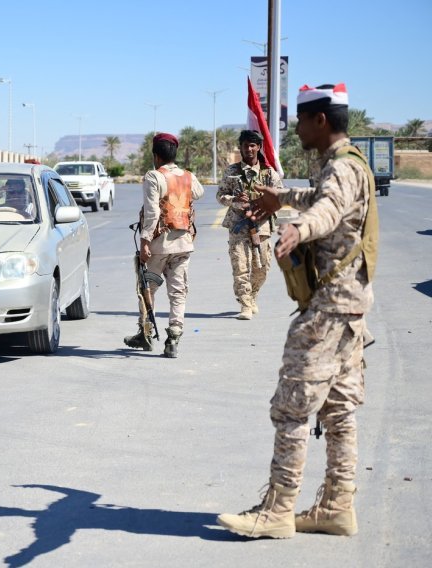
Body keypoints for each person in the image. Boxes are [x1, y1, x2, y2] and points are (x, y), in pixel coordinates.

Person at [217, 83, 378, 539]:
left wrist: (297, 229)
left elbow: (326, 210)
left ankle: (277, 511)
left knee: (291, 408)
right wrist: (282, 198)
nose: (298, 130)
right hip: (349, 311)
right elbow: (323, 199)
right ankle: (336, 506)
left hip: (326, 310)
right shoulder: (349, 165)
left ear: (320, 121)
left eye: (302, 121)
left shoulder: (340, 172)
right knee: (339, 410)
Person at [123, 132, 204, 357]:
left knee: (147, 290)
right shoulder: (188, 176)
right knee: (178, 293)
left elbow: (152, 212)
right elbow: (198, 192)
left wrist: (145, 241)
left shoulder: (153, 177)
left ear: (156, 156)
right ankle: (173, 339)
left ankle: (146, 334)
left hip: (160, 245)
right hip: (184, 243)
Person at [216, 130, 283, 319]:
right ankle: (245, 304)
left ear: (259, 147)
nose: (249, 149)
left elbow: (279, 197)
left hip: (261, 225)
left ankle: (252, 295)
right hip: (238, 224)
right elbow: (220, 196)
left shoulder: (269, 173)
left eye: (253, 145)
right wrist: (235, 200)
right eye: (246, 145)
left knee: (262, 267)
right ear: (241, 148)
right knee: (240, 266)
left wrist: (264, 200)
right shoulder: (231, 172)